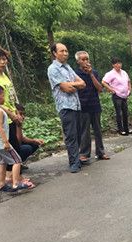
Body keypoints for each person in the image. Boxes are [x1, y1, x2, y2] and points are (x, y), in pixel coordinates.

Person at [47, 42, 86, 173]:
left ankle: (77, 158)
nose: (65, 53)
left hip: (76, 105)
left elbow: (83, 83)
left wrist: (71, 84)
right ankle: (73, 163)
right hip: (65, 106)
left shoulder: (68, 67)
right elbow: (66, 88)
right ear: (54, 53)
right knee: (71, 136)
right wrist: (73, 85)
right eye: (62, 51)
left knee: (78, 134)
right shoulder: (53, 69)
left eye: (66, 51)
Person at [75, 51, 109, 162]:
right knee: (85, 131)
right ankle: (84, 153)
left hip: (95, 104)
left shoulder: (94, 72)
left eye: (87, 59)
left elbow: (100, 88)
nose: (85, 61)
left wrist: (91, 74)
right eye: (83, 59)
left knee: (98, 130)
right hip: (83, 106)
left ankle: (100, 152)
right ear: (78, 61)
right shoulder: (75, 74)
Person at [0, 85, 31, 191]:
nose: (4, 98)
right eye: (2, 95)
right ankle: (16, 183)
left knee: (2, 162)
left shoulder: (0, 109)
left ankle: (0, 184)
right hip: (1, 142)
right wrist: (6, 142)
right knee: (17, 160)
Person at [0, 46, 20, 155]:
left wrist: (16, 112)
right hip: (3, 117)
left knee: (15, 147)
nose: (2, 62)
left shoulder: (4, 75)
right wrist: (10, 114)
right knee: (10, 151)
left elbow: (11, 96)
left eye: (4, 59)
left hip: (12, 116)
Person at [102, 57, 132, 136]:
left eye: (119, 63)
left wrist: (129, 90)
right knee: (119, 113)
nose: (118, 65)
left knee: (125, 112)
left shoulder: (124, 72)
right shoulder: (110, 74)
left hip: (124, 95)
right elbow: (104, 82)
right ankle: (120, 130)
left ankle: (126, 129)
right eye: (116, 63)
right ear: (113, 65)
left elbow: (128, 81)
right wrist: (111, 89)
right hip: (117, 95)